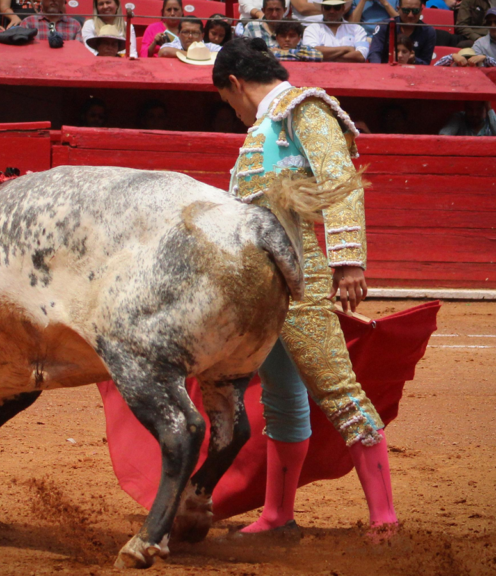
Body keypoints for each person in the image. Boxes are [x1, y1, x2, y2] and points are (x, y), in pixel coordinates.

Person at [212, 36, 398, 536]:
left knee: (338, 390)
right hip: (258, 285)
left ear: (234, 83)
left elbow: (339, 178)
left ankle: (385, 519)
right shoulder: (269, 126)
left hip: (301, 276)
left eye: (227, 101)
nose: (232, 112)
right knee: (281, 398)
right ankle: (277, 515)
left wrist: (347, 261)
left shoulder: (304, 107)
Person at [366, 0, 435, 64]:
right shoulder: (385, 26)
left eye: (415, 11)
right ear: (398, 9)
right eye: (406, 10)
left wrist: (414, 60)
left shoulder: (428, 32)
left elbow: (426, 63)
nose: (410, 15)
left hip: (414, 73)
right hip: (385, 71)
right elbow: (374, 54)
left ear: (421, 11)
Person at [303, 0, 369, 62]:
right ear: (322, 9)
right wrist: (346, 48)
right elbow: (311, 53)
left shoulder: (357, 29)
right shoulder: (312, 29)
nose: (332, 11)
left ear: (343, 9)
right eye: (327, 7)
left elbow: (361, 56)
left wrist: (326, 56)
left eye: (336, 7)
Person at [158, 18, 223, 58]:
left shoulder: (210, 47)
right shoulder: (173, 46)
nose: (190, 36)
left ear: (202, 35)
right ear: (178, 34)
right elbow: (164, 52)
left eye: (195, 33)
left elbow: (226, 54)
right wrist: (196, 56)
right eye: (186, 32)